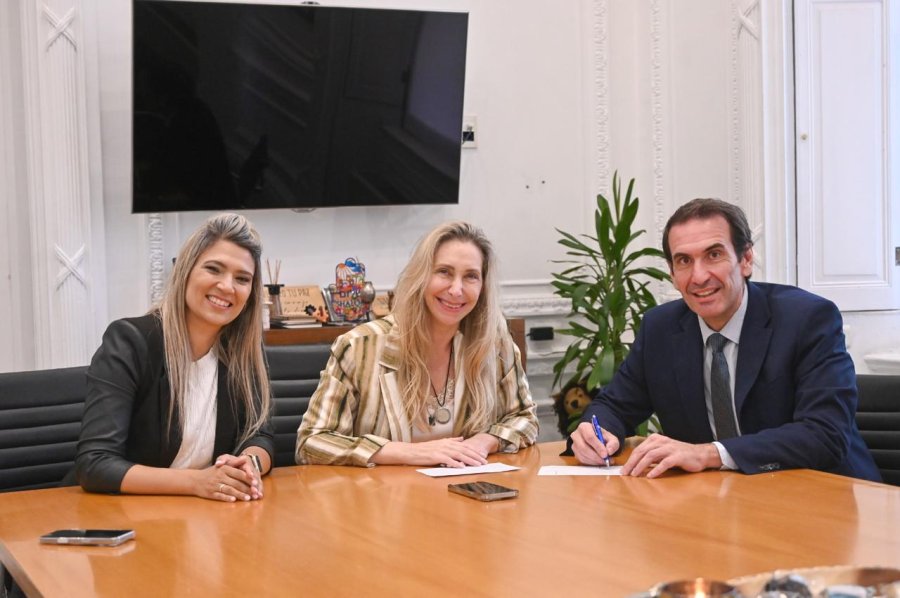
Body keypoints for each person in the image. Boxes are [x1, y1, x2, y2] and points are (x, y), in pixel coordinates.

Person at [570, 198, 881, 481]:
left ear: (746, 259)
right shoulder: (660, 328)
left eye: (714, 255)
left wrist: (710, 454)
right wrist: (596, 431)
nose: (699, 276)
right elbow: (614, 405)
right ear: (672, 273)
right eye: (684, 261)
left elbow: (825, 434)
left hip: (821, 495)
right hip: (719, 500)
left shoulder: (807, 319)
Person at [297, 221, 538, 467]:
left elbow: (525, 418)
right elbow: (311, 442)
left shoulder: (495, 345)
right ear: (420, 276)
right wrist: (409, 453)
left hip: (466, 486)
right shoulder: (359, 347)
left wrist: (485, 442)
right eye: (444, 272)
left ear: (483, 286)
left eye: (471, 276)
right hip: (385, 490)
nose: (456, 290)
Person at [74, 213, 275, 501]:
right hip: (126, 512)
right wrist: (197, 482)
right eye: (214, 269)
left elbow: (260, 434)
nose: (227, 286)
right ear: (185, 270)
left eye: (242, 279)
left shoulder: (243, 351)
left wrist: (250, 463)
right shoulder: (130, 342)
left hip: (208, 514)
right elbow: (95, 464)